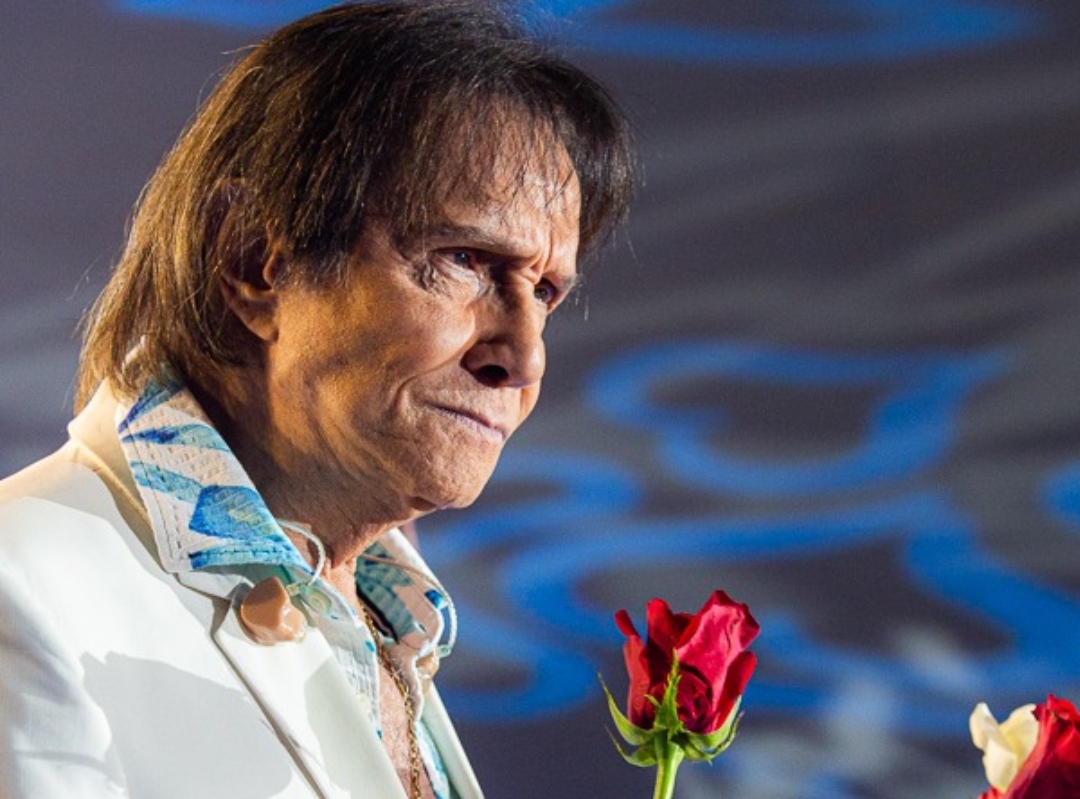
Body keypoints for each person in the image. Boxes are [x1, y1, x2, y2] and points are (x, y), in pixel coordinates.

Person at [0, 2, 635, 797]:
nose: (523, 356)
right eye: (465, 260)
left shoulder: (391, 621)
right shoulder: (22, 589)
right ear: (255, 259)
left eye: (543, 291)